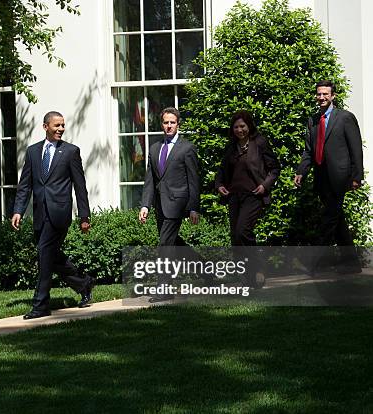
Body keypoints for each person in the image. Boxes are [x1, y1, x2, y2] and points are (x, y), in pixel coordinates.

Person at [11, 111, 94, 320]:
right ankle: (84, 283)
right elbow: (25, 185)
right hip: (40, 214)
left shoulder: (70, 152)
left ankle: (40, 304)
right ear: (45, 126)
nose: (61, 129)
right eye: (56, 125)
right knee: (49, 256)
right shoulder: (32, 152)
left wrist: (84, 216)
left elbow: (80, 186)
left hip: (59, 213)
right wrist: (18, 210)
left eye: (63, 126)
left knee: (45, 254)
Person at [294, 80, 364, 273]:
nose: (322, 97)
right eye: (319, 94)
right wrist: (301, 171)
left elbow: (355, 149)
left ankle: (313, 264)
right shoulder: (313, 120)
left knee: (328, 220)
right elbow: (309, 150)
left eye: (325, 94)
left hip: (340, 178)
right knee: (337, 219)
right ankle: (353, 264)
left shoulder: (345, 118)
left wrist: (357, 176)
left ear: (333, 96)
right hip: (321, 178)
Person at [215, 110, 280, 288]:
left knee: (243, 231)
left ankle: (257, 269)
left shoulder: (259, 143)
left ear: (249, 126)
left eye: (242, 126)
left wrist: (265, 185)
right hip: (234, 197)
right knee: (236, 238)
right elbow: (221, 171)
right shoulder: (231, 147)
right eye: (236, 127)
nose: (239, 130)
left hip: (254, 195)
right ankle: (246, 276)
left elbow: (274, 168)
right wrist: (219, 184)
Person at [139, 107, 200, 245]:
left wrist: (193, 208)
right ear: (162, 124)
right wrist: (145, 206)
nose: (169, 126)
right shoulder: (154, 148)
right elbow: (150, 180)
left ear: (178, 124)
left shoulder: (187, 148)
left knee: (165, 244)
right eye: (166, 123)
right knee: (173, 242)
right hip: (159, 206)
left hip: (177, 204)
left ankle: (162, 267)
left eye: (172, 122)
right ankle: (201, 264)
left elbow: (193, 180)